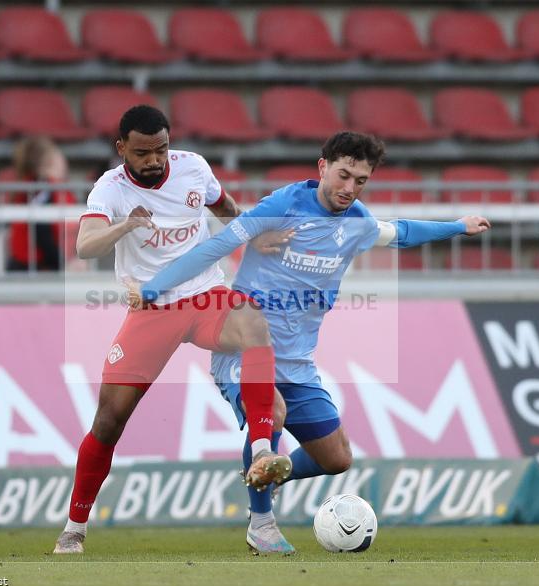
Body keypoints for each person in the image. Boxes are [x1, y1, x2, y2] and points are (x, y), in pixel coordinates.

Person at [131, 131, 491, 554]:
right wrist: (155, 288)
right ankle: (261, 523)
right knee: (274, 412)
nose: (349, 188)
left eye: (360, 180)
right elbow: (216, 247)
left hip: (298, 363)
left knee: (336, 458)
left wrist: (458, 226)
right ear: (322, 167)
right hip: (244, 348)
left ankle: (265, 472)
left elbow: (403, 232)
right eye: (343, 175)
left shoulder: (355, 222)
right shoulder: (283, 206)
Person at [53, 105, 290, 554]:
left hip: (205, 296)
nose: (155, 160)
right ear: (122, 148)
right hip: (152, 308)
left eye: (161, 148)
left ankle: (262, 449)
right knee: (108, 422)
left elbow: (226, 208)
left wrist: (252, 236)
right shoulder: (110, 188)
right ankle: (74, 527)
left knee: (254, 321)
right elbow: (85, 246)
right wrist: (126, 225)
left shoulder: (194, 167)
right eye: (143, 152)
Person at [7, 136, 76, 272]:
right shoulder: (41, 190)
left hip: (37, 266)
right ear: (48, 162)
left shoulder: (35, 188)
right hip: (30, 269)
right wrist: (62, 264)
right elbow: (41, 232)